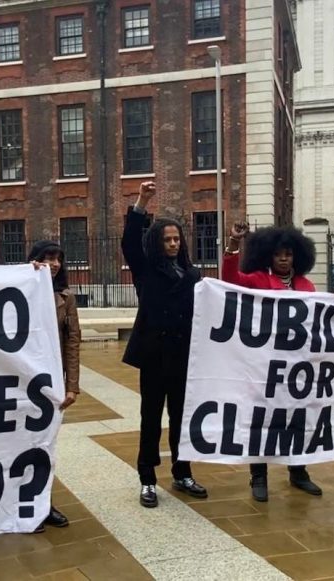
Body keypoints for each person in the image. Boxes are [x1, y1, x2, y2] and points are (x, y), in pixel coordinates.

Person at [222, 221, 323, 501]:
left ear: (296, 256)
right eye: (278, 254)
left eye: (288, 254)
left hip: (297, 366)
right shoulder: (256, 279)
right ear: (268, 255)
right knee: (262, 420)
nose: (283, 258)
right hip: (264, 365)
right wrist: (232, 246)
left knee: (296, 420)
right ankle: (259, 476)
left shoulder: (306, 285)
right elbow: (230, 280)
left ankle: (298, 471)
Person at [121, 181, 207, 508]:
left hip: (183, 359)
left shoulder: (192, 274)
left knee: (181, 418)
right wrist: (142, 200)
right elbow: (130, 242)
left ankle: (182, 472)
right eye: (167, 239)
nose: (172, 243)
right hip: (154, 357)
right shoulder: (146, 271)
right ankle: (147, 478)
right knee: (151, 418)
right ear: (157, 243)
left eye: (176, 239)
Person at [26, 240, 81, 532]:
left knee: (45, 447)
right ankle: (20, 503)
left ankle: (42, 503)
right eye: (48, 258)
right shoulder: (22, 289)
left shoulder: (66, 297)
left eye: (58, 258)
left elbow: (73, 341)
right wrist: (25, 274)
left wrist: (72, 385)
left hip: (51, 382)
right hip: (23, 381)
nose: (55, 263)